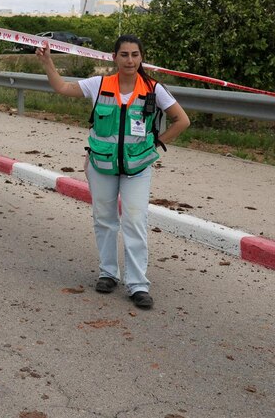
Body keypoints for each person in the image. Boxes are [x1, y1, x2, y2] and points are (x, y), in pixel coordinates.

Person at [36, 34, 190, 310]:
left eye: (135, 55)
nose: (130, 60)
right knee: (104, 219)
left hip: (137, 168)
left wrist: (155, 144)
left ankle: (138, 284)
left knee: (135, 221)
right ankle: (108, 273)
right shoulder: (99, 84)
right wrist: (48, 63)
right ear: (114, 57)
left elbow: (182, 120)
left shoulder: (154, 89)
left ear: (141, 57)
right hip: (102, 165)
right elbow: (62, 87)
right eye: (124, 54)